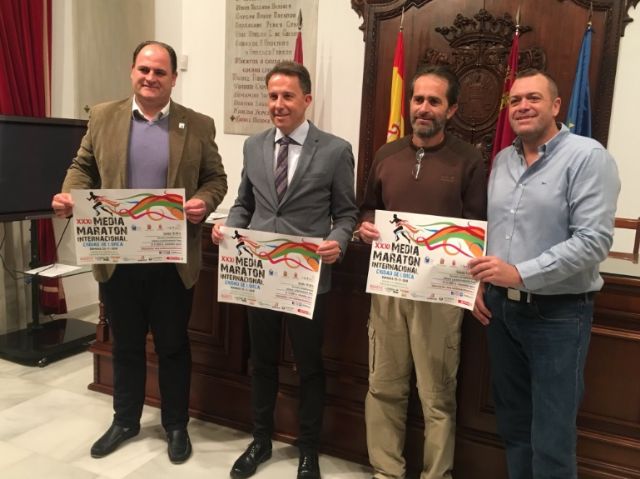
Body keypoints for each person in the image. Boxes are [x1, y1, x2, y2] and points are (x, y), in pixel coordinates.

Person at [51, 41, 227, 464]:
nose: (150, 78)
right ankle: (125, 420)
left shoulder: (197, 125)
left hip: (171, 260)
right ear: (132, 71)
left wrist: (204, 201)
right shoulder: (103, 117)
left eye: (160, 72)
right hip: (118, 256)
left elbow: (215, 178)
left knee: (173, 346)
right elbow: (82, 168)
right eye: (144, 70)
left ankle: (176, 425)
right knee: (126, 344)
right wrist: (70, 194)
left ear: (173, 78)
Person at [468, 69, 620, 479]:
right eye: (515, 100)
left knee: (552, 437)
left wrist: (519, 274)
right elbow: (496, 232)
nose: (522, 106)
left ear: (555, 106)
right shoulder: (503, 160)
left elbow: (592, 242)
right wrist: (480, 281)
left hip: (558, 315)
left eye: (532, 98)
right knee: (514, 426)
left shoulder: (588, 158)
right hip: (501, 312)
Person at [211, 61, 357, 479]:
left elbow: (346, 213)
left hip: (305, 278)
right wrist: (229, 229)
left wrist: (338, 242)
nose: (278, 104)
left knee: (309, 366)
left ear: (307, 99)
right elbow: (245, 204)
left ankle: (308, 448)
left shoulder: (335, 150)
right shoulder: (253, 145)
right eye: (273, 96)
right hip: (258, 275)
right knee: (261, 361)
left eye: (287, 96)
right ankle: (260, 440)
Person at [357, 64, 487, 479]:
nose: (424, 108)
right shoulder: (386, 155)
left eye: (434, 101)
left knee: (437, 397)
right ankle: (386, 471)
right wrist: (365, 227)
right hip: (388, 289)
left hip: (441, 295)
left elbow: (478, 226)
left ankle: (436, 475)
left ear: (451, 110)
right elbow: (368, 208)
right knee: (383, 387)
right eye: (418, 99)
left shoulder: (469, 160)